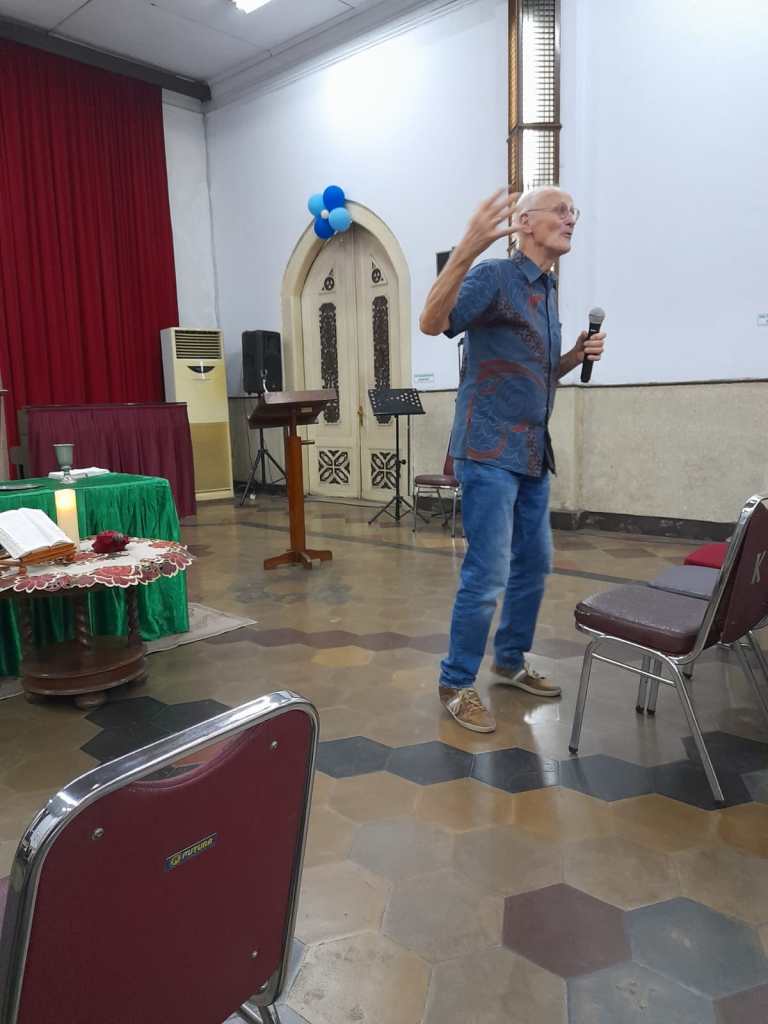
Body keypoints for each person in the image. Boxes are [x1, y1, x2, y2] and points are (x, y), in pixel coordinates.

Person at [419, 186, 606, 733]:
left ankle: (508, 659)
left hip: (530, 452)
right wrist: (467, 248)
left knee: (534, 563)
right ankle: (456, 681)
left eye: (574, 211)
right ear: (525, 222)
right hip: (487, 449)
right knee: (488, 572)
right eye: (561, 210)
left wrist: (573, 356)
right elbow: (431, 322)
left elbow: (537, 374)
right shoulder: (494, 276)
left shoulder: (546, 288)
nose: (571, 219)